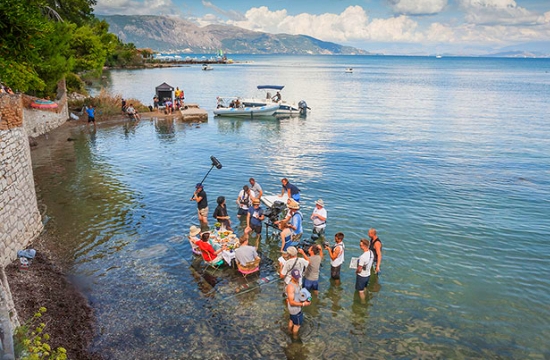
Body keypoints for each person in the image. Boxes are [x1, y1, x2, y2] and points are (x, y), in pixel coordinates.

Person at [286, 268, 311, 335]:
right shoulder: (291, 287)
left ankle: (289, 331)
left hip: (293, 310)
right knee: (297, 325)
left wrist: (306, 297)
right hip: (295, 310)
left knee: (291, 320)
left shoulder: (297, 283)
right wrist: (303, 304)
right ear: (291, 276)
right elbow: (291, 302)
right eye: (296, 278)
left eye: (298, 277)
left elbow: (297, 295)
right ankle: (294, 338)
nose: (297, 279)